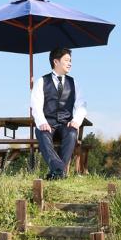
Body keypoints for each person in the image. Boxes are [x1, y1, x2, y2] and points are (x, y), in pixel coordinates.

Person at [31, 47, 87, 180]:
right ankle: (60, 171)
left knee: (73, 132)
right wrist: (42, 122)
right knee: (42, 133)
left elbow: (82, 105)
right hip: (47, 124)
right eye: (67, 60)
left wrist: (76, 120)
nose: (70, 63)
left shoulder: (74, 83)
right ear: (56, 62)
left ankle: (56, 171)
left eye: (70, 60)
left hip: (65, 124)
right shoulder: (41, 82)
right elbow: (36, 106)